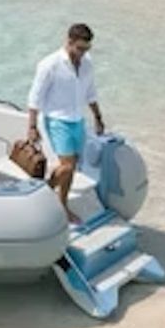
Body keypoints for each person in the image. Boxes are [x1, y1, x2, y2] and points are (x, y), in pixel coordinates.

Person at [26, 23, 106, 224]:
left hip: (77, 120)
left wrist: (98, 116)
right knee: (67, 167)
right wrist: (32, 126)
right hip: (56, 120)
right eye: (79, 48)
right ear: (69, 42)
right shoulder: (49, 64)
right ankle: (50, 197)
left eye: (86, 49)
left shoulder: (87, 63)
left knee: (72, 167)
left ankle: (57, 200)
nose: (82, 53)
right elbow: (34, 97)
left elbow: (90, 92)